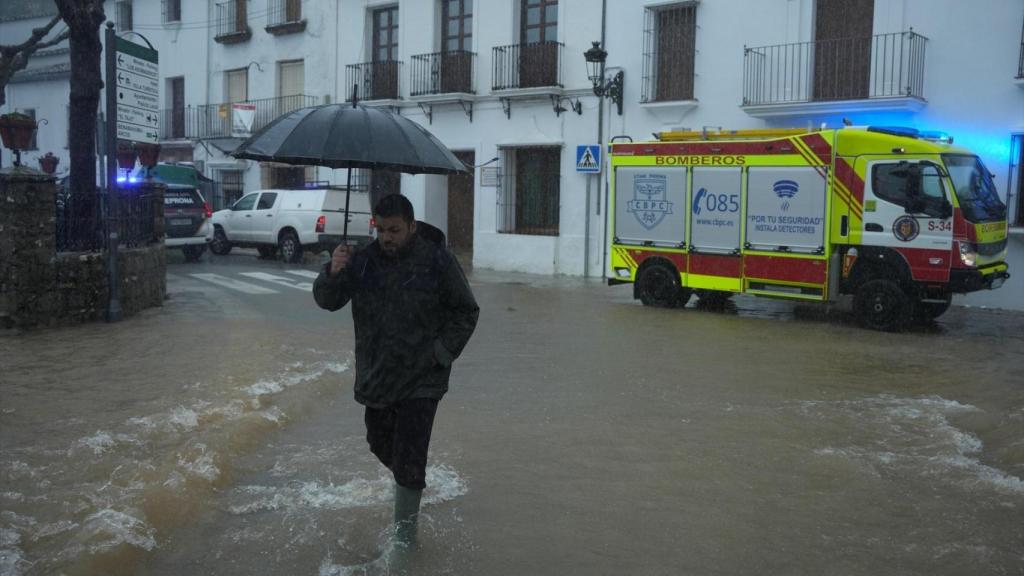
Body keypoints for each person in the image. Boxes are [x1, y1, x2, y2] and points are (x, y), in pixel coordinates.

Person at [313, 193, 479, 549]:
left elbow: (466, 311)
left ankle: (406, 544)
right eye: (381, 229)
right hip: (378, 374)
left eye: (395, 230)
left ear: (411, 227)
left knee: (409, 455)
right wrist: (333, 271)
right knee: (379, 442)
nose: (387, 237)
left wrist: (441, 352)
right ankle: (410, 484)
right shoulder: (363, 261)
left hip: (423, 378)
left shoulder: (436, 260)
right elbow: (329, 301)